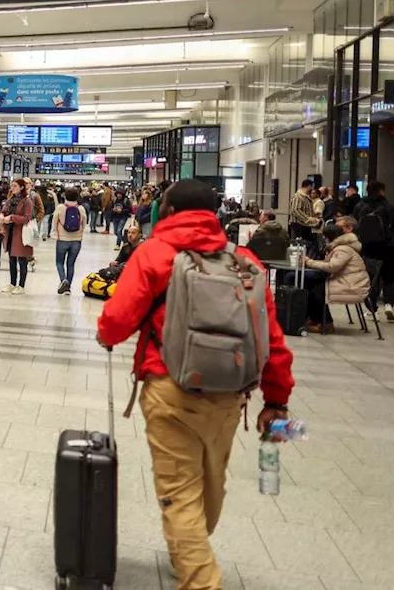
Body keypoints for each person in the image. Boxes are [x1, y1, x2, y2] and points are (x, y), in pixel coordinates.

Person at [97, 179, 294, 590]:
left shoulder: (155, 253)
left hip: (169, 387)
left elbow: (117, 320)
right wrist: (276, 401)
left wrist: (106, 334)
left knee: (178, 491)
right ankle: (185, 550)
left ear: (166, 212)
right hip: (229, 396)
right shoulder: (245, 262)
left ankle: (200, 578)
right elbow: (271, 339)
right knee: (211, 482)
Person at [303, 220, 370, 333]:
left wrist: (309, 262)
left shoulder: (343, 249)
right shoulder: (342, 247)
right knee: (312, 284)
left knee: (318, 289)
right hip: (347, 281)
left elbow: (332, 267)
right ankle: (316, 319)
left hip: (351, 285)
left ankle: (326, 323)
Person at [354, 181, 394, 321]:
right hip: (389, 249)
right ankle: (388, 304)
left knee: (370, 278)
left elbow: (355, 228)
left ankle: (372, 308)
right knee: (389, 277)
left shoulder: (360, 207)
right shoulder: (392, 208)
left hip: (368, 249)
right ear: (382, 191)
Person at [0, 178, 35, 294]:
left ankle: (21, 285)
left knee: (22, 260)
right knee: (11, 259)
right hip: (10, 233)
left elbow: (26, 218)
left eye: (15, 186)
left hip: (20, 234)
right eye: (12, 186)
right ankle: (12, 283)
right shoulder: (10, 200)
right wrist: (1, 215)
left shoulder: (27, 201)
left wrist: (12, 218)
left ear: (21, 187)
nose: (12, 188)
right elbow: (4, 210)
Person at [53, 187, 85, 294]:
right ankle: (68, 287)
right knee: (71, 264)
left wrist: (56, 233)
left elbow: (55, 221)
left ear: (65, 196)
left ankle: (63, 280)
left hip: (62, 239)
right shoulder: (81, 209)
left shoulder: (60, 207)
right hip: (76, 240)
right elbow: (84, 223)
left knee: (59, 262)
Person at [289, 179, 320, 244]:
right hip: (298, 225)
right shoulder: (298, 197)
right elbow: (295, 210)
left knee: (306, 244)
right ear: (309, 186)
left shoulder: (305, 197)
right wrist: (308, 218)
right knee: (299, 244)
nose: (312, 189)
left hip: (305, 225)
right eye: (312, 187)